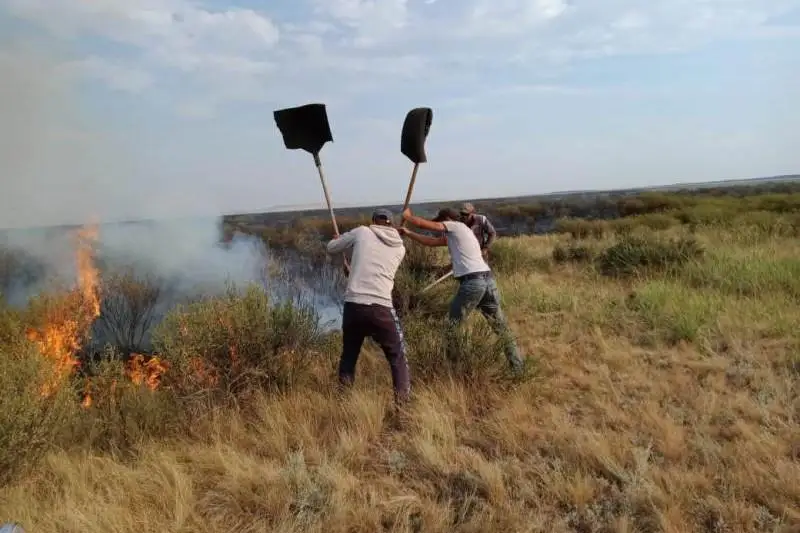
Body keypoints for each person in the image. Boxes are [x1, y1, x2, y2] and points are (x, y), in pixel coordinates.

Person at [399, 207, 524, 374]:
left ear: (449, 219)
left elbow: (426, 225)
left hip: (473, 283)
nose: (441, 224)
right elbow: (429, 242)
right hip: (487, 281)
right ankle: (518, 369)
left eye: (442, 221)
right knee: (501, 327)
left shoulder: (456, 227)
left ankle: (454, 370)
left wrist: (409, 217)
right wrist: (407, 232)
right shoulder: (460, 234)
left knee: (452, 327)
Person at [325, 208, 411, 404]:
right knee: (397, 356)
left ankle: (343, 402)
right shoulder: (400, 248)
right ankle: (403, 406)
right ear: (391, 223)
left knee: (349, 355)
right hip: (381, 307)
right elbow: (377, 270)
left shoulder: (362, 232)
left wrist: (338, 240)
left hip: (354, 305)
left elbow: (331, 247)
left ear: (373, 221)